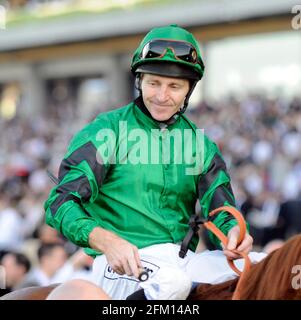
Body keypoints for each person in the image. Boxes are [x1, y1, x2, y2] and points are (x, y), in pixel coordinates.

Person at [44, 24, 254, 300]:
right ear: (139, 81)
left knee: (264, 268)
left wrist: (234, 233)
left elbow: (221, 212)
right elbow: (59, 204)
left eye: (174, 86)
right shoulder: (106, 131)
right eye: (153, 83)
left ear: (189, 90)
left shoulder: (200, 145)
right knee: (172, 284)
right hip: (121, 264)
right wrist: (105, 240)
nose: (162, 96)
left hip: (183, 262)